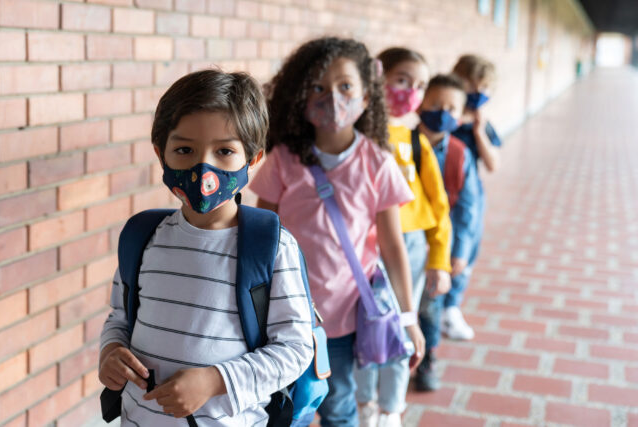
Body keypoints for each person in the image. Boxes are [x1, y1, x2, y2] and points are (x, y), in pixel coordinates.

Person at [98, 69, 313, 426]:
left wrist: (215, 381)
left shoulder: (272, 248)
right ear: (161, 154)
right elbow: (119, 317)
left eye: (225, 151)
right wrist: (110, 351)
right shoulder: (144, 237)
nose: (203, 168)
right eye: (184, 149)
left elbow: (295, 348)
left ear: (253, 160)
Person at [251, 37, 425, 427]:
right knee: (283, 407)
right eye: (318, 87)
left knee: (338, 406)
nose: (333, 98)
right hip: (286, 315)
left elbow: (393, 247)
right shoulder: (283, 160)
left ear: (367, 96)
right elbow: (263, 238)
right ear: (299, 96)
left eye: (345, 86)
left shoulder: (377, 164)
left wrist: (410, 316)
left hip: (344, 319)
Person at [353, 47, 452, 426]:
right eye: (402, 80)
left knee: (400, 329)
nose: (411, 91)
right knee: (365, 328)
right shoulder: (357, 135)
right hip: (363, 247)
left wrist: (439, 261)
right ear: (377, 78)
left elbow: (440, 210)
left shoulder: (416, 142)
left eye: (420, 85)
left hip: (408, 248)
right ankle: (365, 404)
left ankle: (392, 407)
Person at [414, 73, 480, 391]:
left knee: (431, 305)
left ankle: (428, 359)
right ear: (420, 104)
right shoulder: (399, 143)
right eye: (435, 103)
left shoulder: (458, 154)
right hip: (402, 238)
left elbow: (469, 209)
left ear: (461, 114)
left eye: (452, 108)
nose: (443, 112)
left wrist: (460, 253)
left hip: (438, 243)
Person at [442, 55, 502, 340]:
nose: (477, 94)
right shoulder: (445, 117)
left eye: (484, 88)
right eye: (471, 86)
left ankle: (451, 307)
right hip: (441, 193)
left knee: (466, 251)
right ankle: (435, 302)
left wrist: (479, 131)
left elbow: (493, 164)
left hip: (471, 198)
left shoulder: (482, 125)